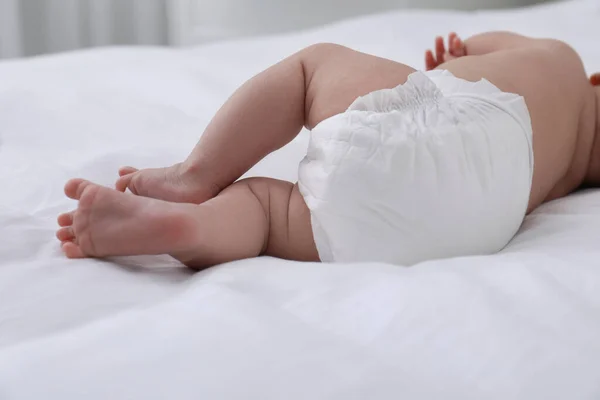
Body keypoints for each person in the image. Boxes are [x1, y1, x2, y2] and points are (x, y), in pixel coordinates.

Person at [56, 32, 600, 269]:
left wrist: (462, 50)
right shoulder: (567, 177)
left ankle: (191, 179)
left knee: (312, 67)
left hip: (464, 122)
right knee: (269, 214)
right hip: (478, 219)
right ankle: (193, 232)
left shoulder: (564, 58)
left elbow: (484, 43)